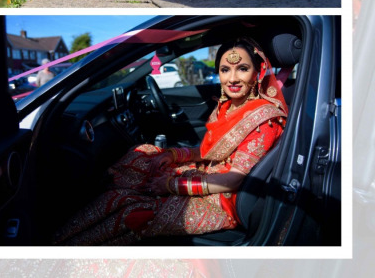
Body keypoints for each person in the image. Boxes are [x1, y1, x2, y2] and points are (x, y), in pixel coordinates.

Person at [54, 37, 288, 245]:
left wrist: (170, 186)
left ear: (258, 72)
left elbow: (233, 181)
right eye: (225, 70)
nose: (233, 78)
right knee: (143, 154)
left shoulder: (263, 119)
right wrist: (173, 155)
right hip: (210, 174)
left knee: (132, 209)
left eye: (243, 69)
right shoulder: (229, 106)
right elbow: (210, 151)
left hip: (224, 202)